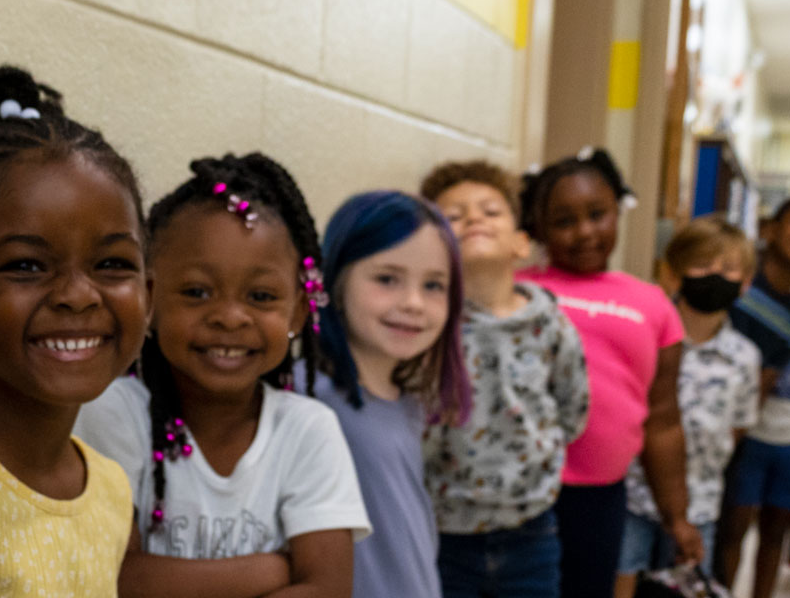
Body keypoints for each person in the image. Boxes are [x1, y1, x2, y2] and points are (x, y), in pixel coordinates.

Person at [75, 153, 371, 597]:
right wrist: (268, 571)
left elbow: (327, 589)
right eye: (197, 292)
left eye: (261, 295)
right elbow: (116, 580)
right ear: (148, 301)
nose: (230, 317)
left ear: (297, 311)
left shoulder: (308, 429)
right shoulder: (113, 413)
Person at [0, 65, 147, 597]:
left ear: (148, 295)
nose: (78, 294)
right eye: (26, 266)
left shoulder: (109, 487)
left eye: (112, 264)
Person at [516, 147, 698, 598]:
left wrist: (676, 515)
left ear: (618, 210)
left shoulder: (652, 304)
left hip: (599, 498)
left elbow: (663, 419)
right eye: (563, 221)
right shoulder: (517, 289)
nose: (584, 232)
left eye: (597, 214)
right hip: (519, 489)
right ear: (537, 228)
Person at [421, 161, 589, 598]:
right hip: (443, 533)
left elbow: (572, 410)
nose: (473, 219)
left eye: (490, 211)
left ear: (521, 243)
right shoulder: (426, 327)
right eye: (453, 217)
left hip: (530, 532)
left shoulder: (551, 324)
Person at [310, 190, 475, 598]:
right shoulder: (311, 400)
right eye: (387, 279)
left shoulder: (407, 403)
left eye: (434, 285)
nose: (414, 303)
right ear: (337, 278)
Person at [613, 216, 760, 595]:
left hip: (701, 500)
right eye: (703, 264)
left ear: (744, 283)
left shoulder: (744, 356)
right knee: (621, 578)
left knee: (688, 586)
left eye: (728, 268)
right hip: (632, 491)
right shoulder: (645, 337)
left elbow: (740, 424)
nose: (715, 275)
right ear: (673, 274)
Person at [715, 194, 790, 598]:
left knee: (776, 533)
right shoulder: (736, 285)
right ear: (770, 229)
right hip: (738, 435)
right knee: (730, 526)